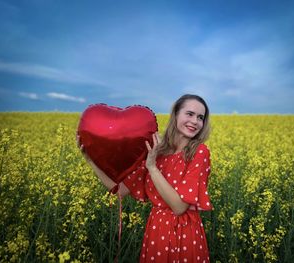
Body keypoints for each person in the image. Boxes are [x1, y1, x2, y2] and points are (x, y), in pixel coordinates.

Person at [78, 94, 213, 262]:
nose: (195, 121)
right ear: (176, 114)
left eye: (200, 117)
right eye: (190, 114)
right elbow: (120, 190)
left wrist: (152, 167)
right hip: (157, 231)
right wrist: (90, 160)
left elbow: (179, 207)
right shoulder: (157, 150)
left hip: (184, 233)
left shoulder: (199, 152)